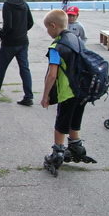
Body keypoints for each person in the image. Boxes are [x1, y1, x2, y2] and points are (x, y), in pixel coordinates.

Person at [40, 9, 93, 173]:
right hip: (82, 89)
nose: (48, 32)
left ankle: (58, 152)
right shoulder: (76, 39)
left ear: (53, 26)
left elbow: (52, 75)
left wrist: (45, 95)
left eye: (47, 29)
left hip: (68, 92)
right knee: (74, 119)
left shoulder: (56, 46)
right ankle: (77, 147)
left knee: (61, 122)